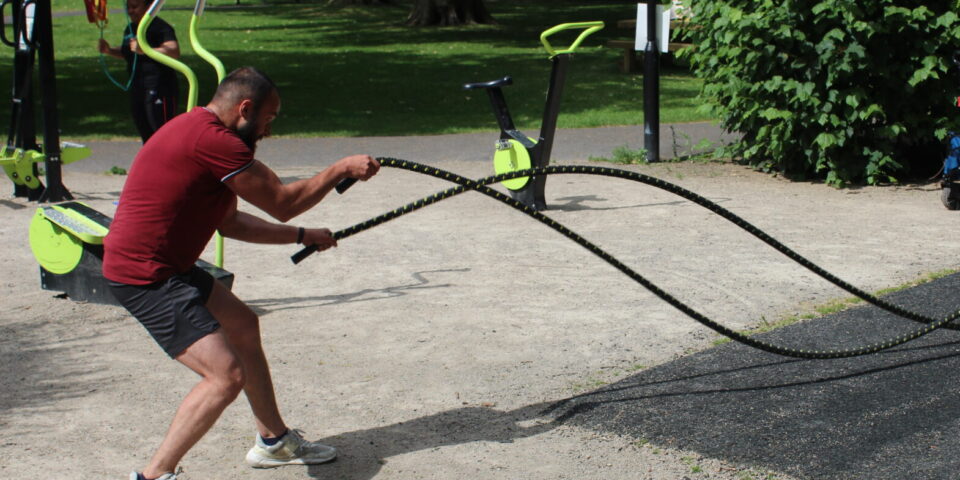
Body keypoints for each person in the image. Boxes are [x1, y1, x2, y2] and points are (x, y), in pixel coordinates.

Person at [102, 66, 380, 480]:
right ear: (245, 108)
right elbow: (283, 201)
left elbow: (231, 223)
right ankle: (154, 475)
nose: (267, 130)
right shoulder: (216, 142)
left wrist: (301, 236)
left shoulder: (198, 132)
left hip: (169, 265)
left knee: (243, 326)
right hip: (148, 275)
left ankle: (274, 441)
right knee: (225, 376)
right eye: (267, 119)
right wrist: (339, 169)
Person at [97, 0, 180, 143]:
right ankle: (151, 163)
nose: (130, 11)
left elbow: (174, 51)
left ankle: (170, 162)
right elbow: (129, 53)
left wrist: (145, 50)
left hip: (159, 86)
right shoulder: (130, 28)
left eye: (135, 7)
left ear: (149, 7)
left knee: (161, 131)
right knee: (145, 131)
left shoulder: (159, 27)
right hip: (138, 86)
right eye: (128, 7)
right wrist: (109, 51)